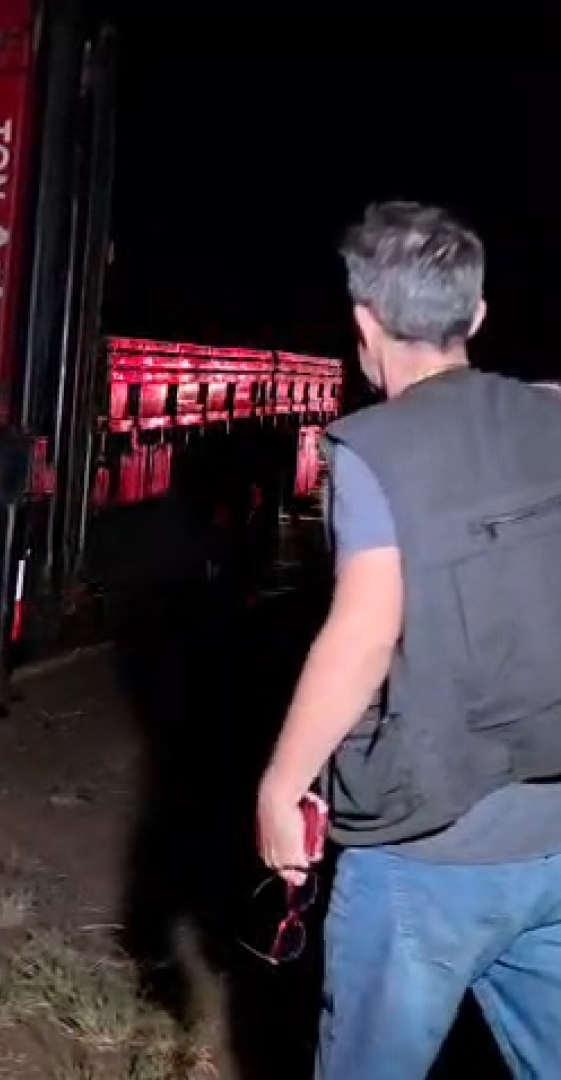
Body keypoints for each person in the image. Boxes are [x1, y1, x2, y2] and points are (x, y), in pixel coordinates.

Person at [255, 200, 561, 1079]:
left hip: (430, 858)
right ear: (476, 317)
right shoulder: (549, 416)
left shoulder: (372, 447)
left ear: (363, 323)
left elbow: (363, 630)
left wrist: (283, 786)